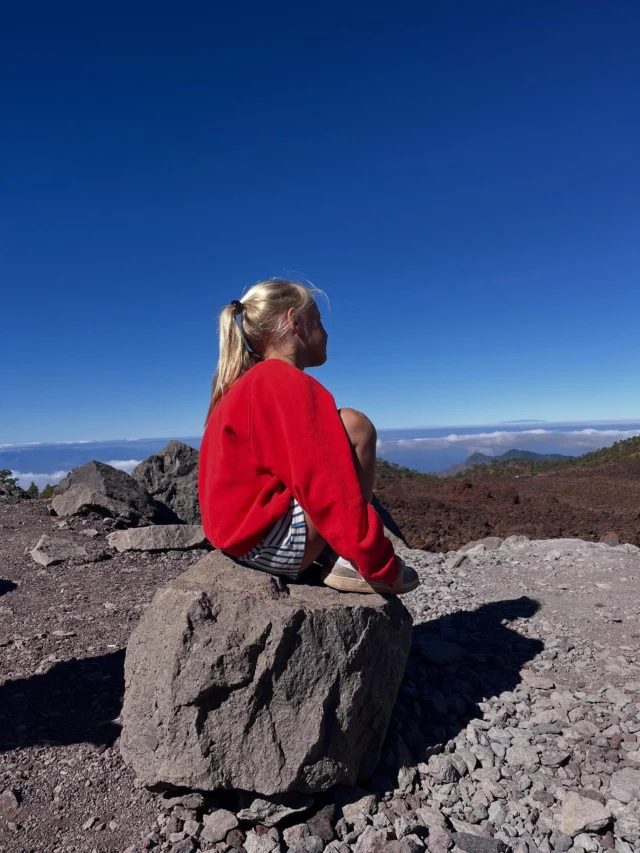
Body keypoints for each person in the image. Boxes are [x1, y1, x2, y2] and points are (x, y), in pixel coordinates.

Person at [198, 278, 419, 595]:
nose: (325, 332)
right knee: (355, 425)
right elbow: (328, 485)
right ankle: (350, 560)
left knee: (343, 427)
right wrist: (379, 564)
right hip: (272, 543)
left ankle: (339, 550)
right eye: (318, 320)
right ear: (295, 322)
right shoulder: (283, 382)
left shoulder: (246, 384)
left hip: (241, 540)